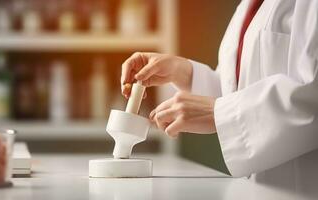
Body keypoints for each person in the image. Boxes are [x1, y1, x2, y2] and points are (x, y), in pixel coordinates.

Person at [121, 0, 318, 198]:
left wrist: (218, 112)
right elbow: (239, 88)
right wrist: (184, 72)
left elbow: (311, 97)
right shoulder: (247, 6)